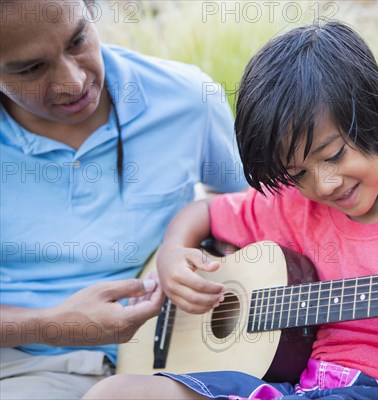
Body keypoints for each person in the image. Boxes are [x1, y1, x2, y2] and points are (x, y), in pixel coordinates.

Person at [83, 21, 378, 400]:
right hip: (302, 386)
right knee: (114, 392)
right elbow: (205, 212)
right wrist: (174, 252)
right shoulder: (295, 204)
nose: (324, 184)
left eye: (334, 155)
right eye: (298, 173)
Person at [0, 0, 247, 398]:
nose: (74, 82)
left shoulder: (189, 98)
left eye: (78, 39)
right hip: (25, 366)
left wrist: (196, 254)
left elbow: (249, 211)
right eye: (30, 68)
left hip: (179, 363)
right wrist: (51, 324)